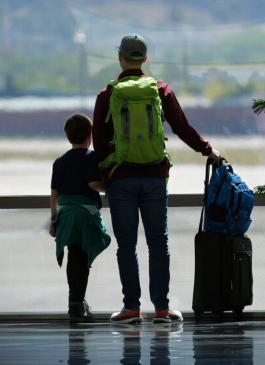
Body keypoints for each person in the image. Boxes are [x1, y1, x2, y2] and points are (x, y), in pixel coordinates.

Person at [93, 34, 221, 324]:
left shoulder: (107, 94)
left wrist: (104, 176)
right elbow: (182, 127)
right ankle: (162, 310)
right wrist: (207, 150)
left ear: (120, 58)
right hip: (154, 176)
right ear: (145, 59)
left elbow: (99, 143)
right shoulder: (161, 90)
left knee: (126, 245)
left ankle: (131, 308)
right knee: (158, 244)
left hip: (120, 177)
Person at [50, 113, 111, 323]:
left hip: (65, 215)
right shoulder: (90, 157)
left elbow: (54, 194)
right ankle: (77, 303)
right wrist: (109, 188)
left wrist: (53, 220)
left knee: (72, 255)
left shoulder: (59, 161)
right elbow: (94, 184)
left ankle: (74, 300)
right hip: (83, 215)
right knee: (82, 258)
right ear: (89, 135)